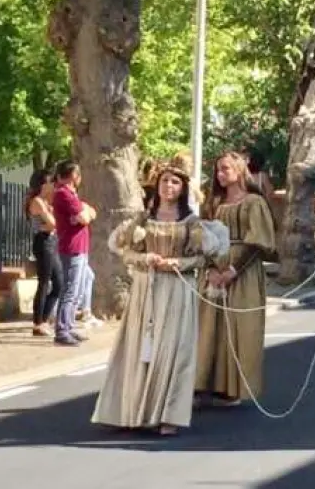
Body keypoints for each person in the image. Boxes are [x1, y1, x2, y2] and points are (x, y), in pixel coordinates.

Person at [92, 162, 229, 435]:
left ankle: (169, 415)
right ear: (158, 184)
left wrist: (178, 262)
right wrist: (146, 258)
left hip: (177, 289)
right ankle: (134, 412)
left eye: (175, 182)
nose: (169, 186)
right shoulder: (141, 221)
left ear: (183, 188)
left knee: (174, 350)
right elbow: (122, 250)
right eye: (165, 181)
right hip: (146, 289)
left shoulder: (192, 224)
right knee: (140, 350)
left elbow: (206, 257)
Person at [196, 152, 276, 407]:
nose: (221, 174)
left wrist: (233, 269)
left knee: (241, 328)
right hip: (214, 270)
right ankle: (204, 385)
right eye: (218, 170)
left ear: (240, 170)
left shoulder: (254, 202)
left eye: (226, 168)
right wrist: (210, 268)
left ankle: (233, 388)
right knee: (208, 329)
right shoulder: (213, 203)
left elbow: (258, 241)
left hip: (244, 273)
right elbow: (202, 236)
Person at [52, 160, 97, 346]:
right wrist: (83, 213)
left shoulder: (72, 195)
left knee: (78, 289)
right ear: (74, 176)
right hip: (72, 247)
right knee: (70, 290)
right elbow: (86, 216)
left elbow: (90, 212)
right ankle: (62, 329)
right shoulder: (63, 194)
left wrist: (84, 212)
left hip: (80, 246)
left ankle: (69, 325)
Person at [25, 169, 64, 337]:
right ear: (42, 184)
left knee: (58, 283)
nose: (53, 185)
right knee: (44, 282)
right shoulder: (37, 202)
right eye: (50, 182)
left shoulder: (48, 202)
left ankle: (44, 318)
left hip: (51, 240)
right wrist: (51, 222)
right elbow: (54, 223)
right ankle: (38, 322)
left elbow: (56, 223)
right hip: (43, 242)